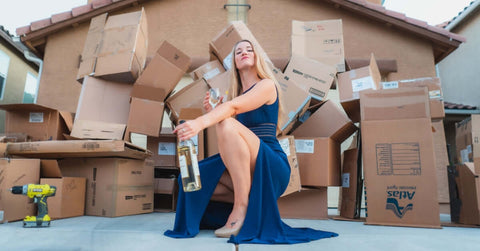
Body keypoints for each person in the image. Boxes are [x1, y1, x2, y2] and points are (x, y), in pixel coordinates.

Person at [164, 39, 338, 244]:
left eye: (249, 49)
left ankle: (242, 207)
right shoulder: (235, 96)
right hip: (246, 167)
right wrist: (215, 111)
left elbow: (233, 110)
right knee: (191, 182)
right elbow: (233, 127)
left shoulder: (266, 85)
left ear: (257, 57)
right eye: (238, 51)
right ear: (235, 63)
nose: (244, 52)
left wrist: (201, 122)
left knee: (226, 123)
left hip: (271, 164)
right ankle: (244, 204)